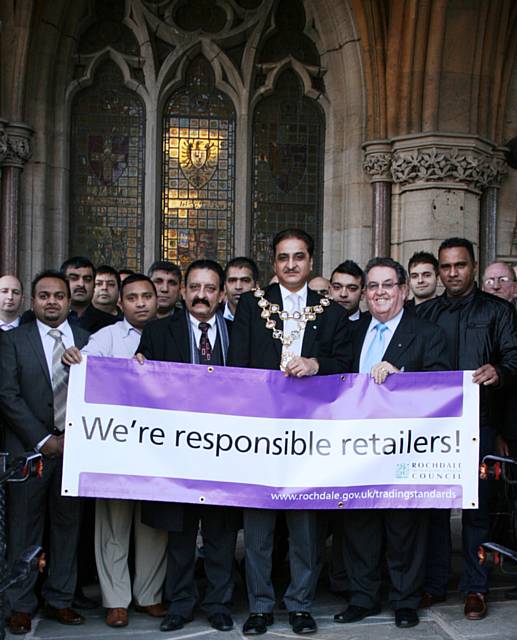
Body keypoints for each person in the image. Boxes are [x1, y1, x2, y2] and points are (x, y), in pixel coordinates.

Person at [228, 228, 351, 635]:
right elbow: (239, 365)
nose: (291, 264)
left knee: (304, 527)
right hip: (262, 432)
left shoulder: (330, 310)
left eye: (299, 257)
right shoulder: (251, 305)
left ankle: (300, 604)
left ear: (311, 261)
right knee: (259, 527)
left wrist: (316, 364)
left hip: (310, 434)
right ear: (274, 262)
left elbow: (345, 360)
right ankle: (260, 605)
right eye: (283, 257)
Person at [335, 257, 449, 630]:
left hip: (404, 449)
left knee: (404, 529)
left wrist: (402, 377)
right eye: (373, 286)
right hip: (355, 449)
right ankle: (363, 597)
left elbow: (440, 384)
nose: (379, 292)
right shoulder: (353, 332)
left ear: (402, 290)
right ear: (365, 294)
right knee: (359, 527)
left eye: (387, 285)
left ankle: (404, 600)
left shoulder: (427, 333)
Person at [136, 259, 240, 633]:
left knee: (220, 535)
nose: (201, 295)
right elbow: (144, 390)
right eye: (194, 287)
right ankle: (180, 604)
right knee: (180, 534)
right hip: (177, 453)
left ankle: (218, 604)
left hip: (228, 452)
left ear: (222, 294)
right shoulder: (158, 333)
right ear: (182, 292)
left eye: (210, 288)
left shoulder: (238, 332)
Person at [417, 237, 517, 620]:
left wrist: (501, 371)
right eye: (445, 266)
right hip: (436, 429)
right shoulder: (425, 315)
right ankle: (435, 584)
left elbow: (513, 357)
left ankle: (476, 588)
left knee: (477, 511)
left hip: (481, 426)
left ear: (473, 267)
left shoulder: (498, 312)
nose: (452, 273)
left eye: (459, 265)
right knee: (435, 509)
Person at [62, 274, 167, 628]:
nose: (141, 303)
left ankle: (150, 595)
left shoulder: (170, 333)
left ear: (158, 300)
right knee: (113, 524)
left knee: (154, 524)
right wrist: (74, 359)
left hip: (160, 448)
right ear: (120, 304)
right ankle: (116, 600)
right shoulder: (105, 337)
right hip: (116, 446)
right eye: (133, 297)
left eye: (147, 296)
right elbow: (84, 376)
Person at [0, 270, 89, 635]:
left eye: (58, 296)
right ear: (32, 301)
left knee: (68, 526)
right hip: (29, 450)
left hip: (77, 448)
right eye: (43, 295)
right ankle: (20, 604)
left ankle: (60, 600)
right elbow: (7, 395)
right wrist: (43, 440)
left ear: (69, 301)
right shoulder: (13, 340)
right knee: (24, 527)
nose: (51, 301)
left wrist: (72, 440)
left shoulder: (87, 340)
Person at [223, 257, 259, 321]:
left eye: (245, 280)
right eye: (232, 280)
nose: (238, 287)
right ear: (225, 287)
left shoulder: (266, 318)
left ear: (256, 286)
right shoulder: (214, 317)